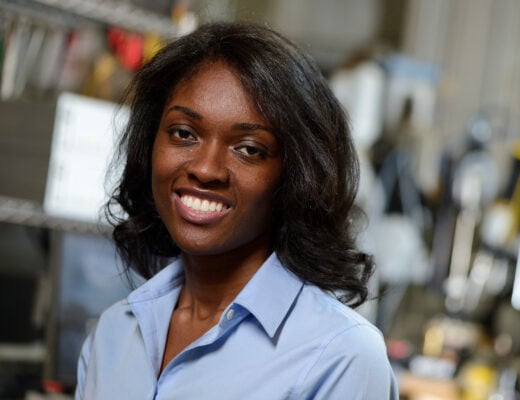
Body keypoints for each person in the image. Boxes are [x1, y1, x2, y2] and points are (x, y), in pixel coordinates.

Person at [76, 21, 399, 399]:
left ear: (295, 176)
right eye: (184, 133)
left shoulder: (341, 357)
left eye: (248, 148)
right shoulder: (113, 335)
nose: (206, 168)